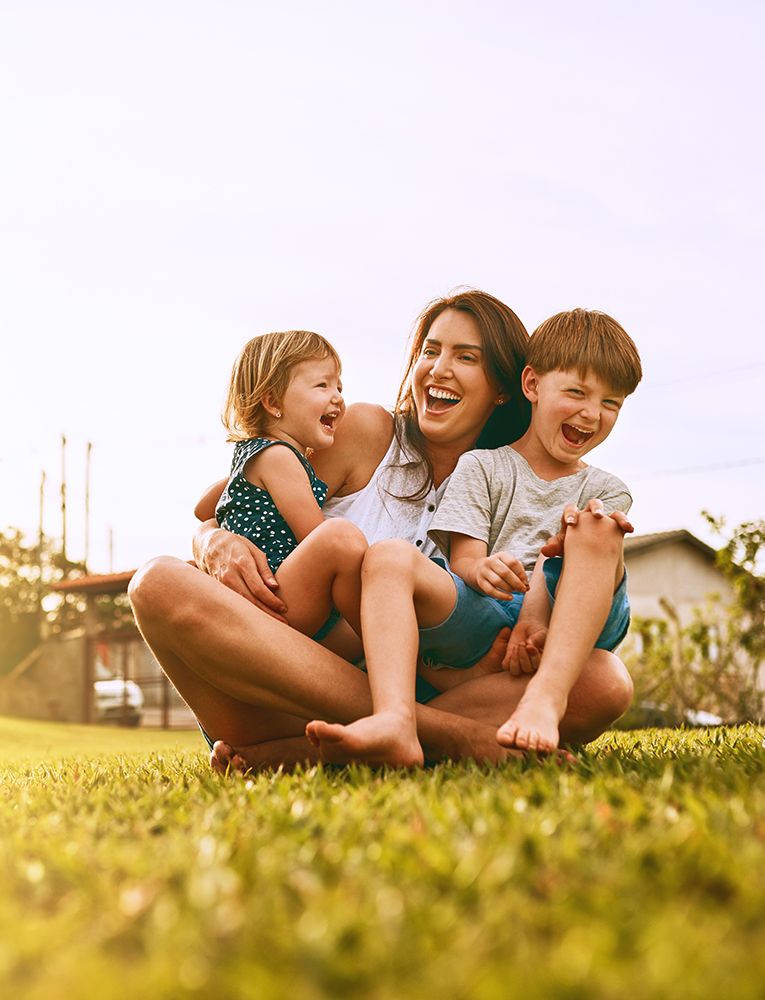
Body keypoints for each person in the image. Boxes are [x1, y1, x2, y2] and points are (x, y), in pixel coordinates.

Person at [128, 291, 634, 772]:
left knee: (604, 681)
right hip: (277, 684)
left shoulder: (517, 482)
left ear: (505, 388)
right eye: (430, 350)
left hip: (434, 691)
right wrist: (214, 541)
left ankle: (325, 746)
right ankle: (444, 735)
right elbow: (243, 491)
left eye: (465, 357)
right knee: (156, 582)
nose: (438, 368)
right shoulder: (367, 432)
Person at [307, 309, 640, 766]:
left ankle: (544, 699)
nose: (590, 413)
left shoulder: (605, 488)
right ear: (532, 386)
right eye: (577, 393)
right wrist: (481, 568)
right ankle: (394, 720)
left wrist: (538, 615)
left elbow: (567, 563)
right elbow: (464, 558)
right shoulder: (481, 466)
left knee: (594, 529)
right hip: (490, 615)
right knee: (388, 557)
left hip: (571, 620)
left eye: (610, 404)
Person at [211, 329, 365, 657]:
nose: (337, 396)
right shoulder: (280, 457)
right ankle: (380, 634)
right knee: (340, 537)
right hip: (279, 597)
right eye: (322, 385)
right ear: (273, 402)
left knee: (365, 648)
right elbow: (317, 537)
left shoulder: (250, 455)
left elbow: (203, 508)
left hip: (272, 601)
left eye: (339, 386)